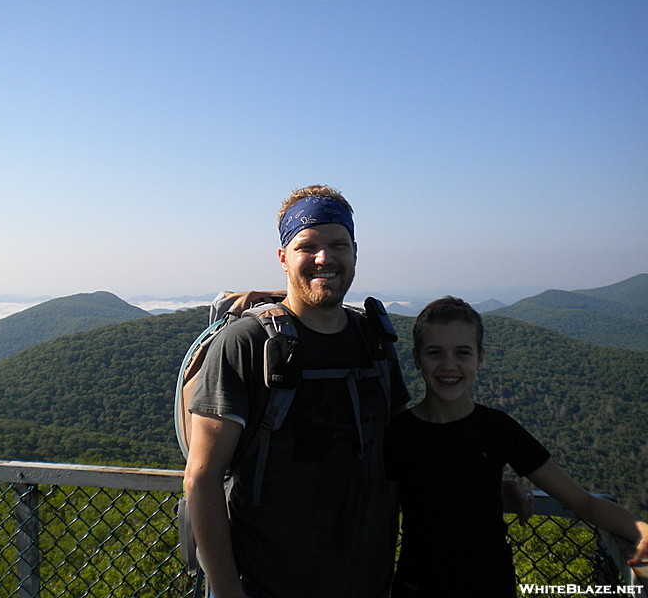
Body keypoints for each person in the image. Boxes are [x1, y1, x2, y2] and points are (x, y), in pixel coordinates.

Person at [183, 185, 411, 598]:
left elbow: (399, 455)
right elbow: (202, 478)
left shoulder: (375, 342)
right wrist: (228, 591)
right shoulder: (246, 344)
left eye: (338, 244)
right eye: (308, 246)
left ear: (355, 252)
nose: (325, 257)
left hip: (367, 582)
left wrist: (482, 478)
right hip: (265, 584)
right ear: (283, 257)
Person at [385, 296, 648, 597]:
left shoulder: (498, 429)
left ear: (479, 358)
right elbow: (383, 520)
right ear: (417, 358)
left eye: (462, 353)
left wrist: (641, 529)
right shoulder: (399, 434)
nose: (449, 365)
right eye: (435, 353)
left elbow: (582, 501)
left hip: (491, 586)